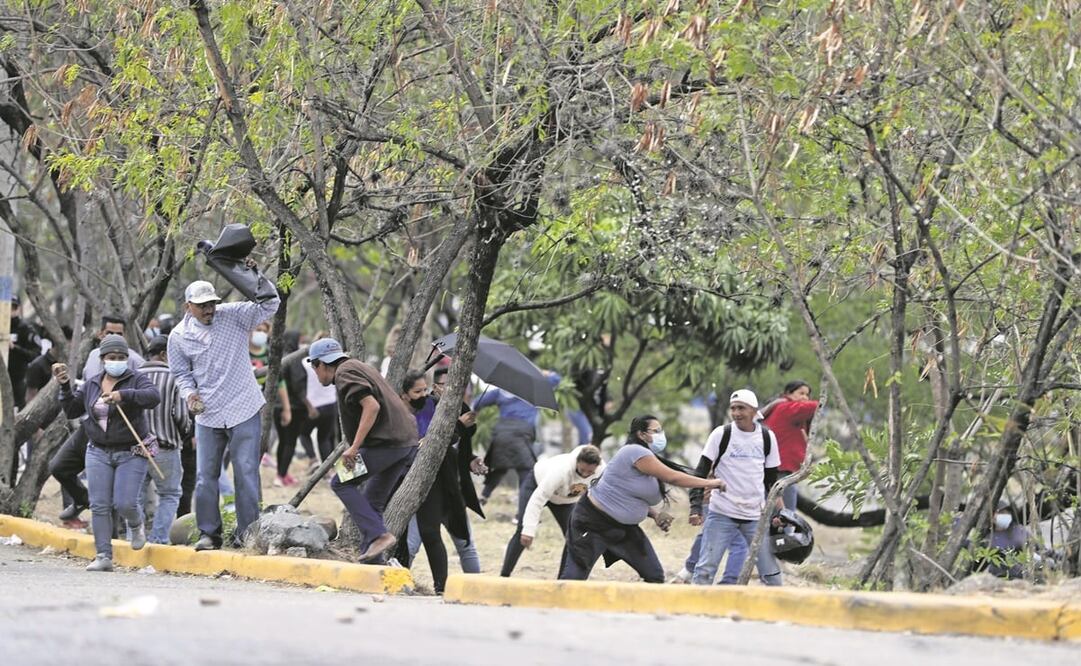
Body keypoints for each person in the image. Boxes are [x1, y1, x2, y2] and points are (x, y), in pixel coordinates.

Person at [169, 276, 280, 551]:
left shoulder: (233, 316)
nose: (209, 310)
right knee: (206, 475)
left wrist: (252, 276)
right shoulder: (178, 337)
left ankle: (248, 535)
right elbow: (181, 373)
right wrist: (190, 394)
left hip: (243, 406)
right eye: (202, 306)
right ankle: (209, 534)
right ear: (188, 307)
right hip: (208, 413)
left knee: (245, 471)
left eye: (212, 304)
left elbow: (271, 303)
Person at [560, 415, 725, 582]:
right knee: (573, 578)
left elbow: (627, 496)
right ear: (641, 434)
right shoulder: (634, 452)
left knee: (654, 576)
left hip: (625, 529)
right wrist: (710, 483)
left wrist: (655, 515)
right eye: (656, 431)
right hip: (593, 524)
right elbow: (673, 477)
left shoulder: (649, 457)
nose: (661, 435)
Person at [54, 334, 160, 572]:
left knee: (124, 503)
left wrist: (124, 395)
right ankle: (103, 556)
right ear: (102, 359)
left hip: (131, 451)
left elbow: (154, 397)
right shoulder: (92, 383)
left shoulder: (136, 379)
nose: (117, 361)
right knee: (99, 505)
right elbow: (72, 410)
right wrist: (63, 386)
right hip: (98, 451)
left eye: (121, 357)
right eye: (112, 357)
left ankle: (135, 523)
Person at [308, 338, 418, 562]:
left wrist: (353, 448)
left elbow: (372, 406)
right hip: (404, 443)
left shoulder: (344, 373)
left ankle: (379, 535)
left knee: (340, 483)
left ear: (321, 364)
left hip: (387, 443)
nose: (315, 373)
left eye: (314, 367)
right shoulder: (358, 366)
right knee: (372, 502)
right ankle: (372, 562)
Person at [49, 315, 143, 523]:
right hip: (90, 427)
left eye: (119, 334)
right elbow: (76, 404)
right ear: (100, 334)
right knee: (59, 466)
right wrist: (65, 386)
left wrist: (125, 397)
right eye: (110, 333)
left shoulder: (136, 361)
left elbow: (149, 396)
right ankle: (82, 499)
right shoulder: (92, 356)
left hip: (120, 434)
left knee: (110, 497)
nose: (114, 337)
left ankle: (112, 540)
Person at [400, 369, 484, 593]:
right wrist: (457, 425)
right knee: (415, 541)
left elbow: (455, 448)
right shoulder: (416, 411)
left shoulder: (452, 410)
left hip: (451, 488)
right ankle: (400, 581)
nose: (450, 389)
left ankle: (475, 588)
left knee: (464, 543)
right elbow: (428, 444)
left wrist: (471, 460)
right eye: (444, 384)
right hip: (424, 488)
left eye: (456, 385)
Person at [691, 389, 785, 587]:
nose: (736, 413)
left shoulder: (768, 437)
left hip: (754, 516)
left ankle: (781, 610)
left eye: (741, 408)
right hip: (721, 512)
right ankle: (695, 609)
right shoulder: (721, 434)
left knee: (771, 573)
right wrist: (696, 508)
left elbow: (771, 481)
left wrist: (779, 512)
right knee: (705, 569)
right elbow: (700, 472)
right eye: (733, 408)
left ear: (754, 411)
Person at [501, 444, 603, 578]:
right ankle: (505, 575)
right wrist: (529, 530)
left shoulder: (602, 471)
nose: (584, 475)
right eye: (582, 470)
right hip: (537, 484)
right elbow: (538, 498)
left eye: (589, 472)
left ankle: (562, 580)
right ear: (577, 462)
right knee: (522, 530)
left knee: (573, 537)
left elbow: (598, 497)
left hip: (565, 500)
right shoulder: (561, 470)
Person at [472, 373, 559, 504]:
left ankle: (484, 496)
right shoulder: (532, 388)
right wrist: (542, 372)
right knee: (526, 471)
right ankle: (521, 514)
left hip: (501, 433)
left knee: (500, 466)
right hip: (521, 434)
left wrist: (474, 413)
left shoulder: (501, 391)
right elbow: (556, 379)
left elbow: (477, 403)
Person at [139, 335, 193, 544]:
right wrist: (186, 432)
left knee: (136, 496)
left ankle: (134, 537)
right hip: (165, 447)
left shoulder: (132, 375)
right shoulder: (174, 377)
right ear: (164, 354)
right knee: (170, 494)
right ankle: (159, 539)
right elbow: (181, 415)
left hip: (135, 448)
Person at [761, 380, 819, 510]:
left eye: (807, 394)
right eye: (801, 393)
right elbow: (816, 406)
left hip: (775, 468)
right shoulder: (786, 407)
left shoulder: (781, 407)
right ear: (788, 394)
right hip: (781, 470)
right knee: (786, 514)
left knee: (770, 511)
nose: (805, 397)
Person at [271, 330, 306, 486]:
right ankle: (281, 474)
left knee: (282, 441)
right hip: (293, 407)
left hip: (277, 406)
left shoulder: (279, 358)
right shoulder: (294, 359)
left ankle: (281, 472)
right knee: (290, 442)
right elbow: (298, 385)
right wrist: (308, 405)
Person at [299, 342, 339, 462]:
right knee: (324, 439)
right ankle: (328, 471)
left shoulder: (305, 364)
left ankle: (313, 460)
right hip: (331, 404)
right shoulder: (338, 366)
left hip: (314, 406)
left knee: (304, 434)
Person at [8, 295, 44, 409]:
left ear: (18, 308)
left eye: (13, 307)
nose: (9, 310)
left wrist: (15, 348)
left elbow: (36, 354)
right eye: (6, 306)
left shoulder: (26, 329)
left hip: (18, 379)